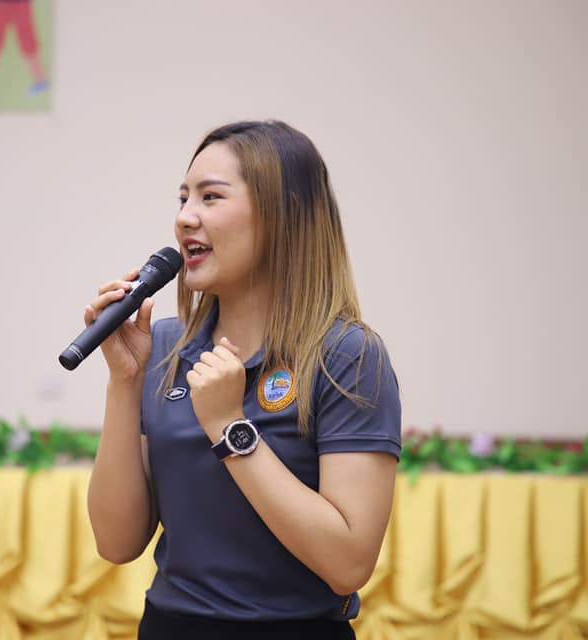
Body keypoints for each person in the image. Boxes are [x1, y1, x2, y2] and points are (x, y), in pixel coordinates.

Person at [85, 120, 402, 640]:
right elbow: (116, 544)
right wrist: (125, 382)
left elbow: (348, 564)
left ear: (282, 216)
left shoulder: (347, 355)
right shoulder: (162, 346)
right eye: (183, 198)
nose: (185, 217)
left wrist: (230, 427)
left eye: (210, 197)